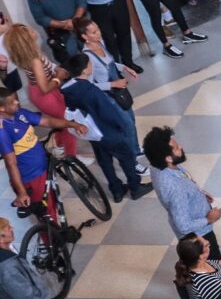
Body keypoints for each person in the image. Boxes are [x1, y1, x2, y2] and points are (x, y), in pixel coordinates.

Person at [57, 54, 152, 202]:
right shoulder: (91, 90)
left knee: (105, 162)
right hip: (107, 132)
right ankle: (135, 187)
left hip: (92, 133)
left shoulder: (68, 89)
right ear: (85, 70)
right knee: (126, 158)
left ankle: (117, 191)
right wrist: (121, 126)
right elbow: (108, 112)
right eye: (89, 64)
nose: (91, 66)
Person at [0, 86, 88, 215]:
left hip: (41, 167)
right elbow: (11, 163)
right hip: (31, 175)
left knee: (51, 204)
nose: (17, 102)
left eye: (16, 99)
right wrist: (22, 192)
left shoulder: (20, 113)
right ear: (1, 108)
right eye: (12, 102)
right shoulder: (2, 131)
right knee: (47, 213)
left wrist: (73, 124)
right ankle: (53, 234)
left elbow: (47, 121)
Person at [75, 17, 144, 171]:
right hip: (110, 98)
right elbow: (89, 84)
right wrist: (113, 84)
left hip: (119, 91)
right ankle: (132, 162)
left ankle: (136, 149)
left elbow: (110, 63)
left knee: (131, 121)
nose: (98, 34)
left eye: (97, 29)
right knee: (125, 127)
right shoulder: (87, 57)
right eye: (93, 32)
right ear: (84, 36)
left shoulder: (101, 43)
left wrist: (125, 67)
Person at [3, 24, 80, 160]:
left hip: (40, 92)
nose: (33, 30)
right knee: (67, 122)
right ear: (27, 39)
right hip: (46, 95)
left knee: (60, 120)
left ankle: (59, 146)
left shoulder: (31, 54)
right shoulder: (34, 60)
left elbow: (48, 68)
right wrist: (58, 78)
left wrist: (57, 70)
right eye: (30, 31)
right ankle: (71, 157)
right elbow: (45, 88)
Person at [143, 126, 221, 256]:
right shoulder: (176, 189)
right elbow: (183, 226)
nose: (180, 146)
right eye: (176, 148)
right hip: (200, 236)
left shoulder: (158, 165)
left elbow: (183, 178)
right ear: (168, 158)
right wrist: (209, 219)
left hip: (195, 218)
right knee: (214, 265)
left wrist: (199, 193)